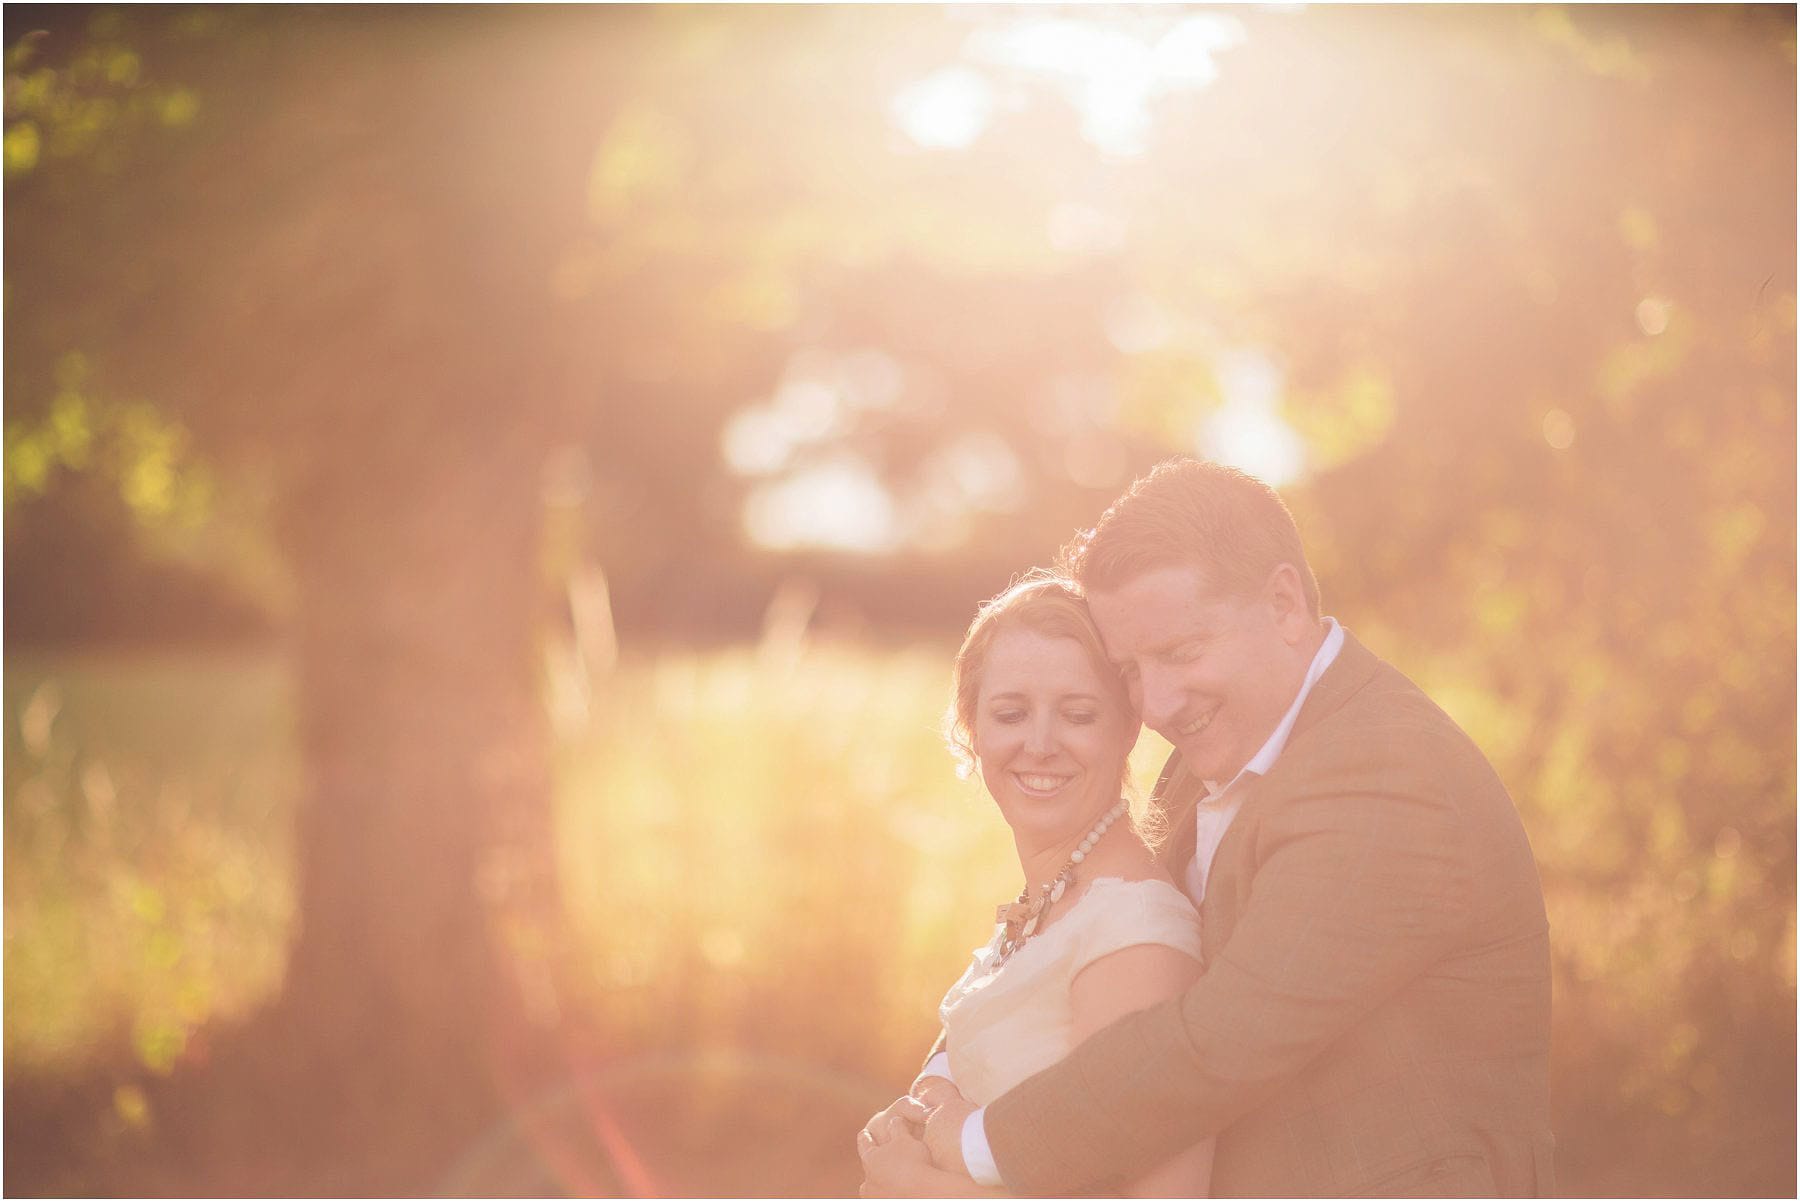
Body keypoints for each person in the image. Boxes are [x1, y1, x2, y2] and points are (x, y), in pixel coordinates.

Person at [860, 458, 1554, 1197]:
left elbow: (1218, 1042)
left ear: (1285, 603)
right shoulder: (1207, 756)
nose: (1155, 704)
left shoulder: (1386, 773)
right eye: (1129, 668)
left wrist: (972, 1145)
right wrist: (941, 1080)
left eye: (1181, 652)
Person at [856, 574, 1216, 1197]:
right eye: (1010, 713)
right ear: (971, 727)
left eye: (1077, 714)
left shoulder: (1134, 935)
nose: (1040, 744)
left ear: (1128, 727)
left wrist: (915, 1190)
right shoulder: (1049, 901)